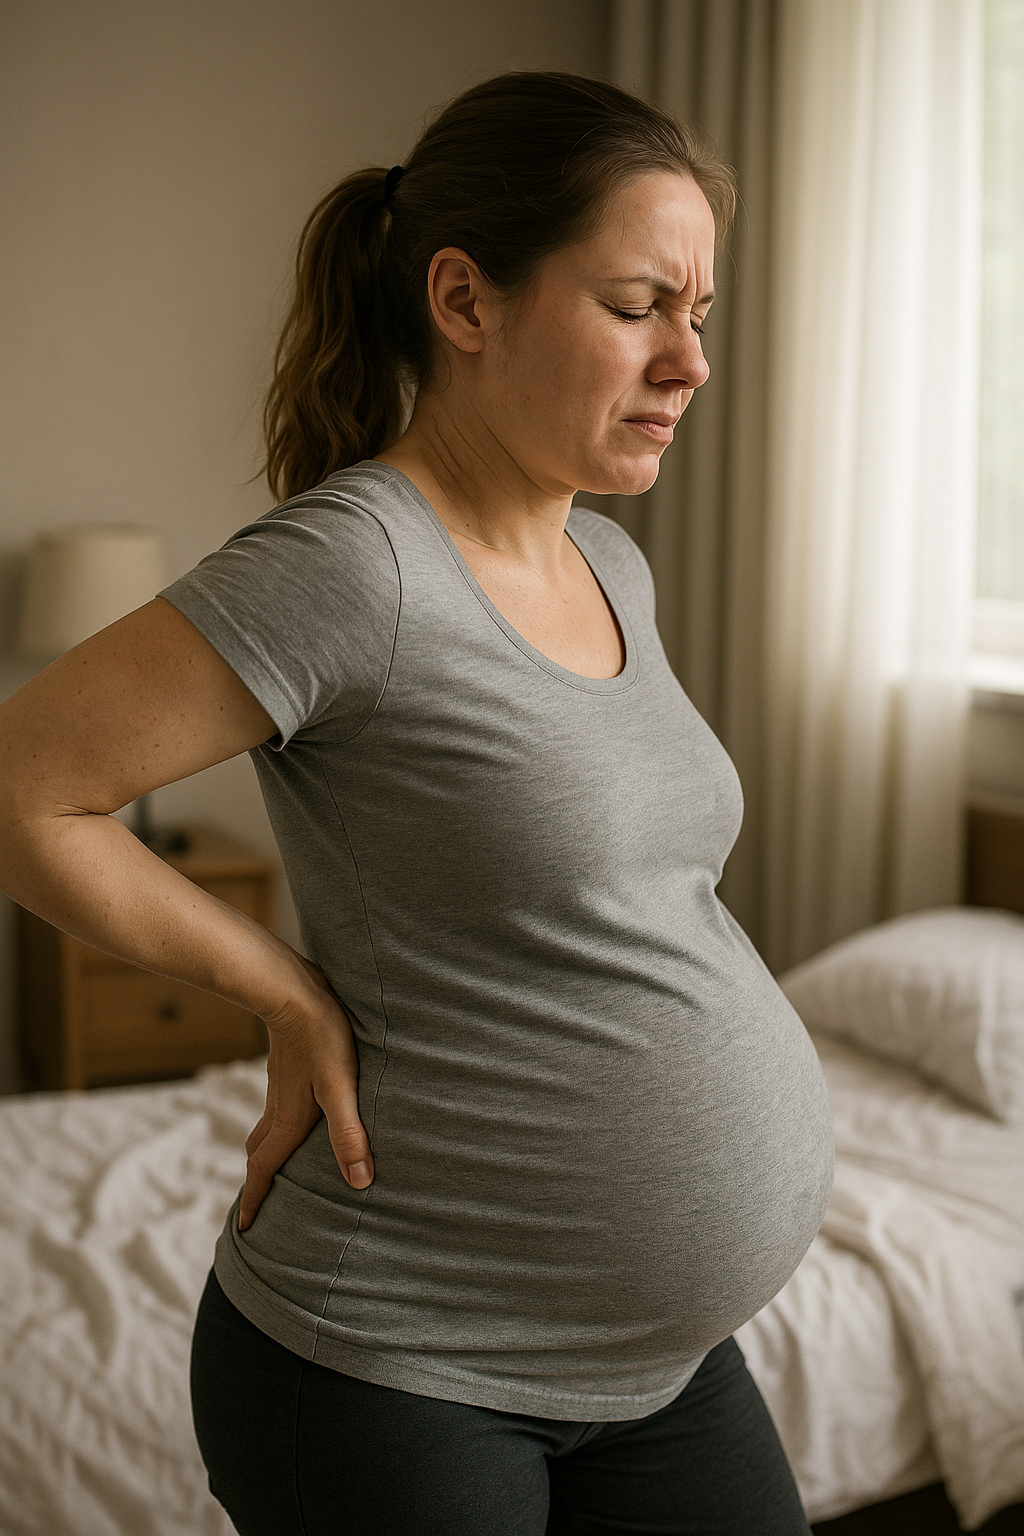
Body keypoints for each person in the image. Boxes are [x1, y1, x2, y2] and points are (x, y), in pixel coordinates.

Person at [0, 71, 833, 1536]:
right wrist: (282, 992)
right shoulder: (358, 564)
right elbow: (25, 787)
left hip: (655, 1368)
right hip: (402, 1363)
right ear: (465, 299)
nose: (689, 361)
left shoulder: (607, 563)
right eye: (639, 303)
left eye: (700, 313)